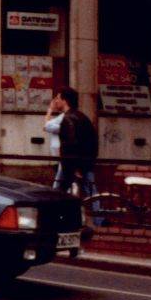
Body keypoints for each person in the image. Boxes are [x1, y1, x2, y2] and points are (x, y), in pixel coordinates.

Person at [54, 87, 100, 215]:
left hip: (71, 164)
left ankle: (58, 217)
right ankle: (99, 220)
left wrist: (75, 167)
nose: (56, 101)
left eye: (58, 98)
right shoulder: (83, 117)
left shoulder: (67, 119)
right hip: (85, 163)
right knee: (92, 191)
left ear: (65, 101)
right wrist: (89, 162)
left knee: (59, 191)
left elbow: (70, 144)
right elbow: (93, 142)